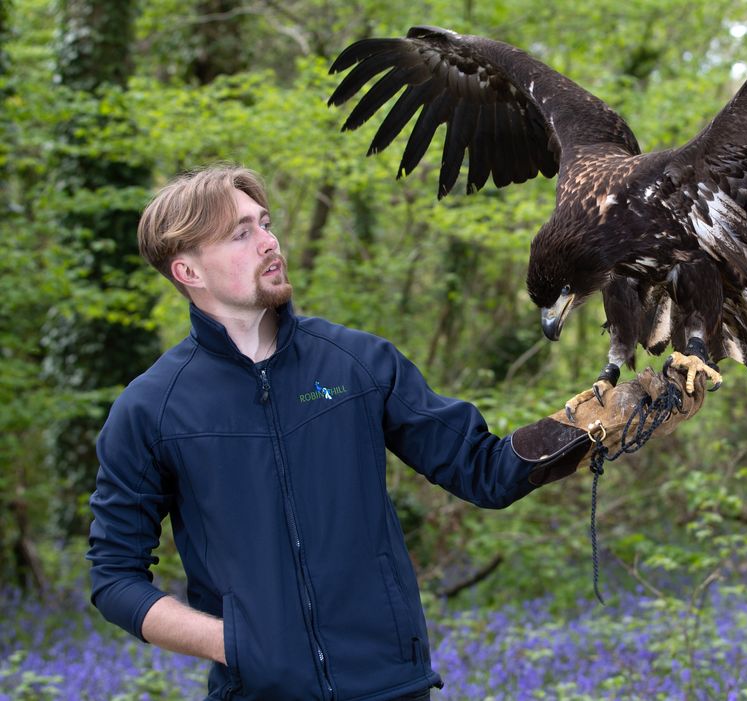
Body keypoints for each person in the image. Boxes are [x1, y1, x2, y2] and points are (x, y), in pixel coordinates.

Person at [86, 165, 706, 700]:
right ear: (187, 270)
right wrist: (236, 642)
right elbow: (115, 578)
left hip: (392, 687)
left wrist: (585, 429)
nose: (268, 242)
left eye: (266, 223)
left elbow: (482, 470)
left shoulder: (357, 363)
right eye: (241, 233)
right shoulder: (151, 410)